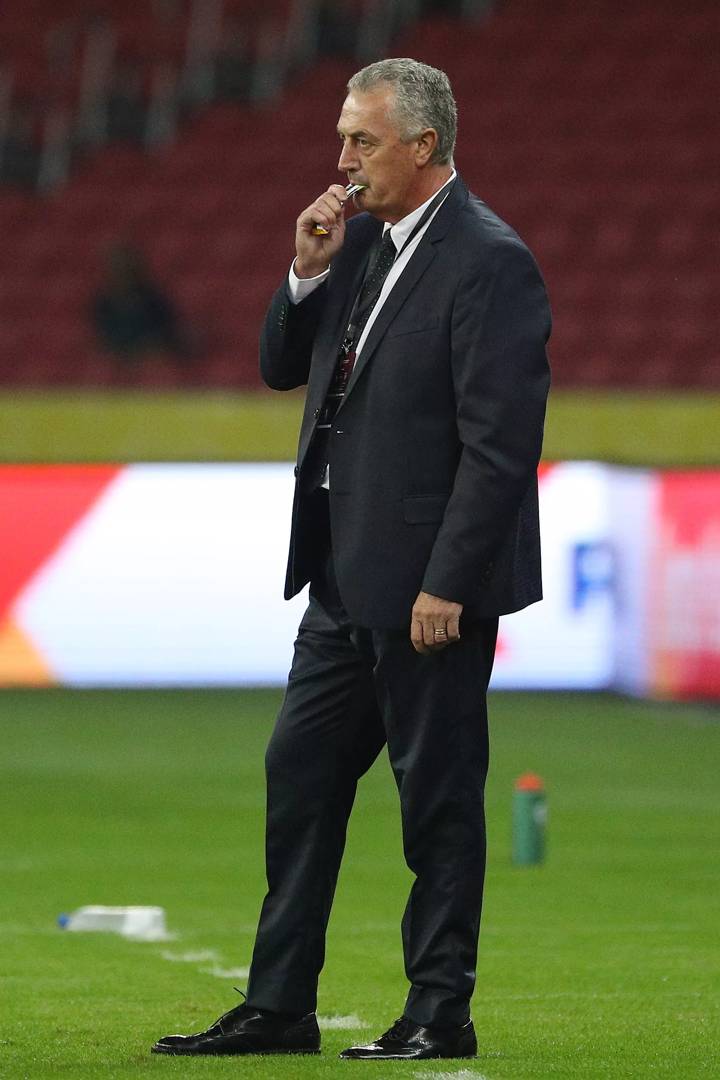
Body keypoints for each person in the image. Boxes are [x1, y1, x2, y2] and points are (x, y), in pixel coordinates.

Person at [152, 57, 551, 1061]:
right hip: (341, 579)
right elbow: (283, 368)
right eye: (342, 138)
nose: (342, 160)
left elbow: (500, 446)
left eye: (361, 141)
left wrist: (451, 582)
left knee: (438, 804)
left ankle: (438, 1012)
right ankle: (278, 1006)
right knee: (300, 779)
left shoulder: (490, 260)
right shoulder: (359, 245)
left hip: (427, 589)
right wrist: (306, 269)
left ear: (424, 145)